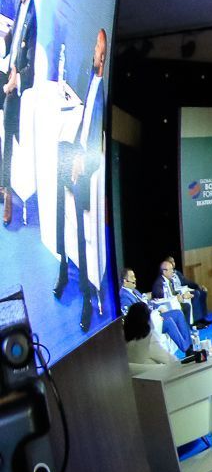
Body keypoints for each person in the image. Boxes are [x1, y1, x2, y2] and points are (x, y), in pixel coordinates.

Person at [52, 29, 108, 331]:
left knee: (75, 201)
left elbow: (96, 143)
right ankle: (63, 265)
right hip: (77, 155)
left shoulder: (102, 91)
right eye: (96, 49)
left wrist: (81, 162)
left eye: (100, 51)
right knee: (58, 194)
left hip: (88, 170)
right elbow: (84, 126)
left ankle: (86, 295)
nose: (96, 55)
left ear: (104, 56)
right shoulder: (90, 81)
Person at [1, 0, 37, 226]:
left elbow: (31, 71)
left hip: (18, 90)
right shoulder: (20, 4)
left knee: (9, 142)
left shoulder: (33, 18)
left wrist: (16, 82)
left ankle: (7, 193)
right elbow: (13, 41)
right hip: (7, 75)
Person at [123, 301, 177, 371]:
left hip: (135, 375)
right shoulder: (149, 339)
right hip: (154, 375)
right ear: (147, 319)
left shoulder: (123, 338)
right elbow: (170, 360)